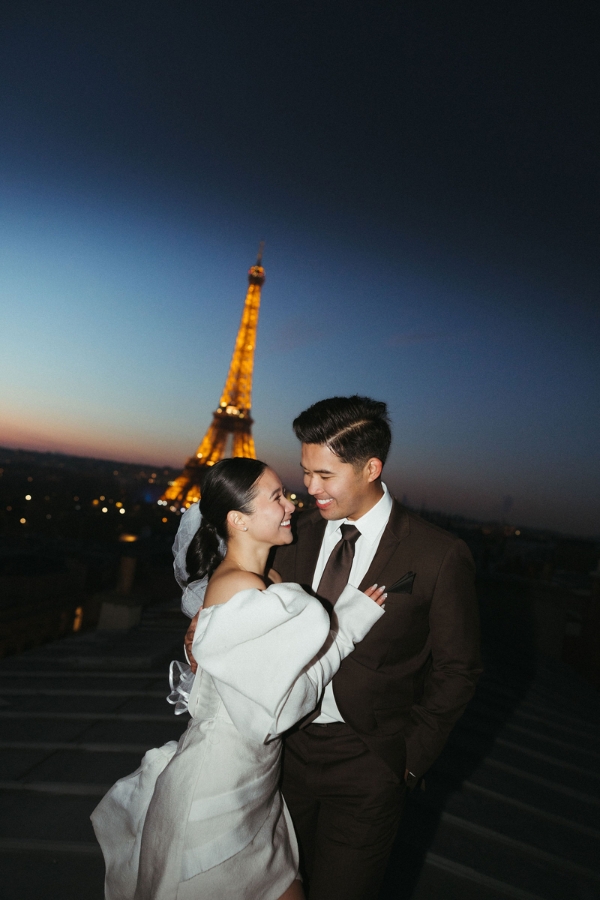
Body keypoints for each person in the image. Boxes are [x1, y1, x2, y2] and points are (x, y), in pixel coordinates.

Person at [185, 395, 482, 900]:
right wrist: (201, 631)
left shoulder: (438, 554)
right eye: (305, 472)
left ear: (371, 468)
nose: (309, 488)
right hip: (282, 758)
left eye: (325, 475)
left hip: (369, 763)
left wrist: (409, 759)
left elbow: (459, 669)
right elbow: (236, 606)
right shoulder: (288, 531)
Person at [91, 457, 386, 900]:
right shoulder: (243, 589)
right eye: (277, 497)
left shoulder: (267, 579)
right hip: (219, 789)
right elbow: (284, 708)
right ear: (238, 520)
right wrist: (346, 628)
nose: (291, 504)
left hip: (254, 784)